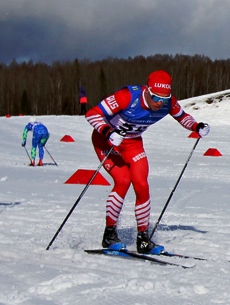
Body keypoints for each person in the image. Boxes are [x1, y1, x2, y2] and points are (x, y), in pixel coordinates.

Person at [85, 70, 209, 253]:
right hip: (107, 141)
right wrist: (108, 132)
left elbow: (182, 117)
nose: (160, 103)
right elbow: (92, 114)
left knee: (142, 185)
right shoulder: (127, 96)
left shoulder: (168, 102)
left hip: (133, 143)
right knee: (123, 181)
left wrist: (197, 126)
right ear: (147, 91)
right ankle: (109, 235)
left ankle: (143, 240)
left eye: (164, 99)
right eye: (156, 98)